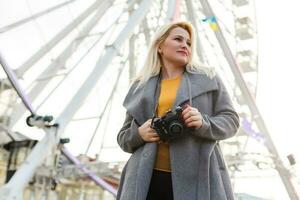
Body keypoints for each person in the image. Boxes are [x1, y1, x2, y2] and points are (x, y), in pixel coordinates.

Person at [116, 21, 240, 200]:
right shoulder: (139, 86)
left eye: (189, 42)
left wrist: (203, 122)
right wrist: (139, 134)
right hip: (145, 180)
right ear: (160, 46)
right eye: (178, 39)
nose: (185, 45)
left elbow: (231, 121)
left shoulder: (209, 78)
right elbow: (123, 138)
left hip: (199, 177)